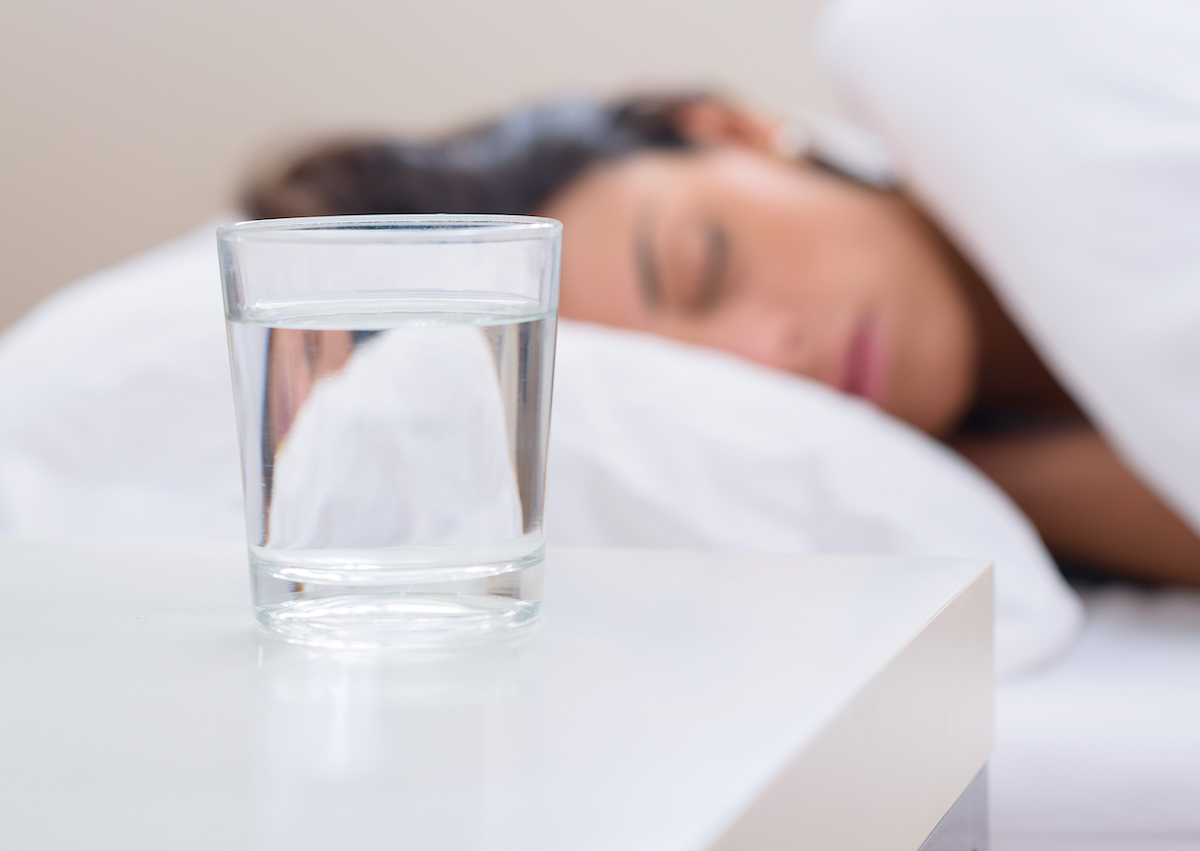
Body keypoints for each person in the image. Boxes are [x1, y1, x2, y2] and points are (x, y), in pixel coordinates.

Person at [243, 93, 1200, 587]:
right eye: (707, 382)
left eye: (705, 264)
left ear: (735, 128)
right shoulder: (993, 488)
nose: (770, 357)